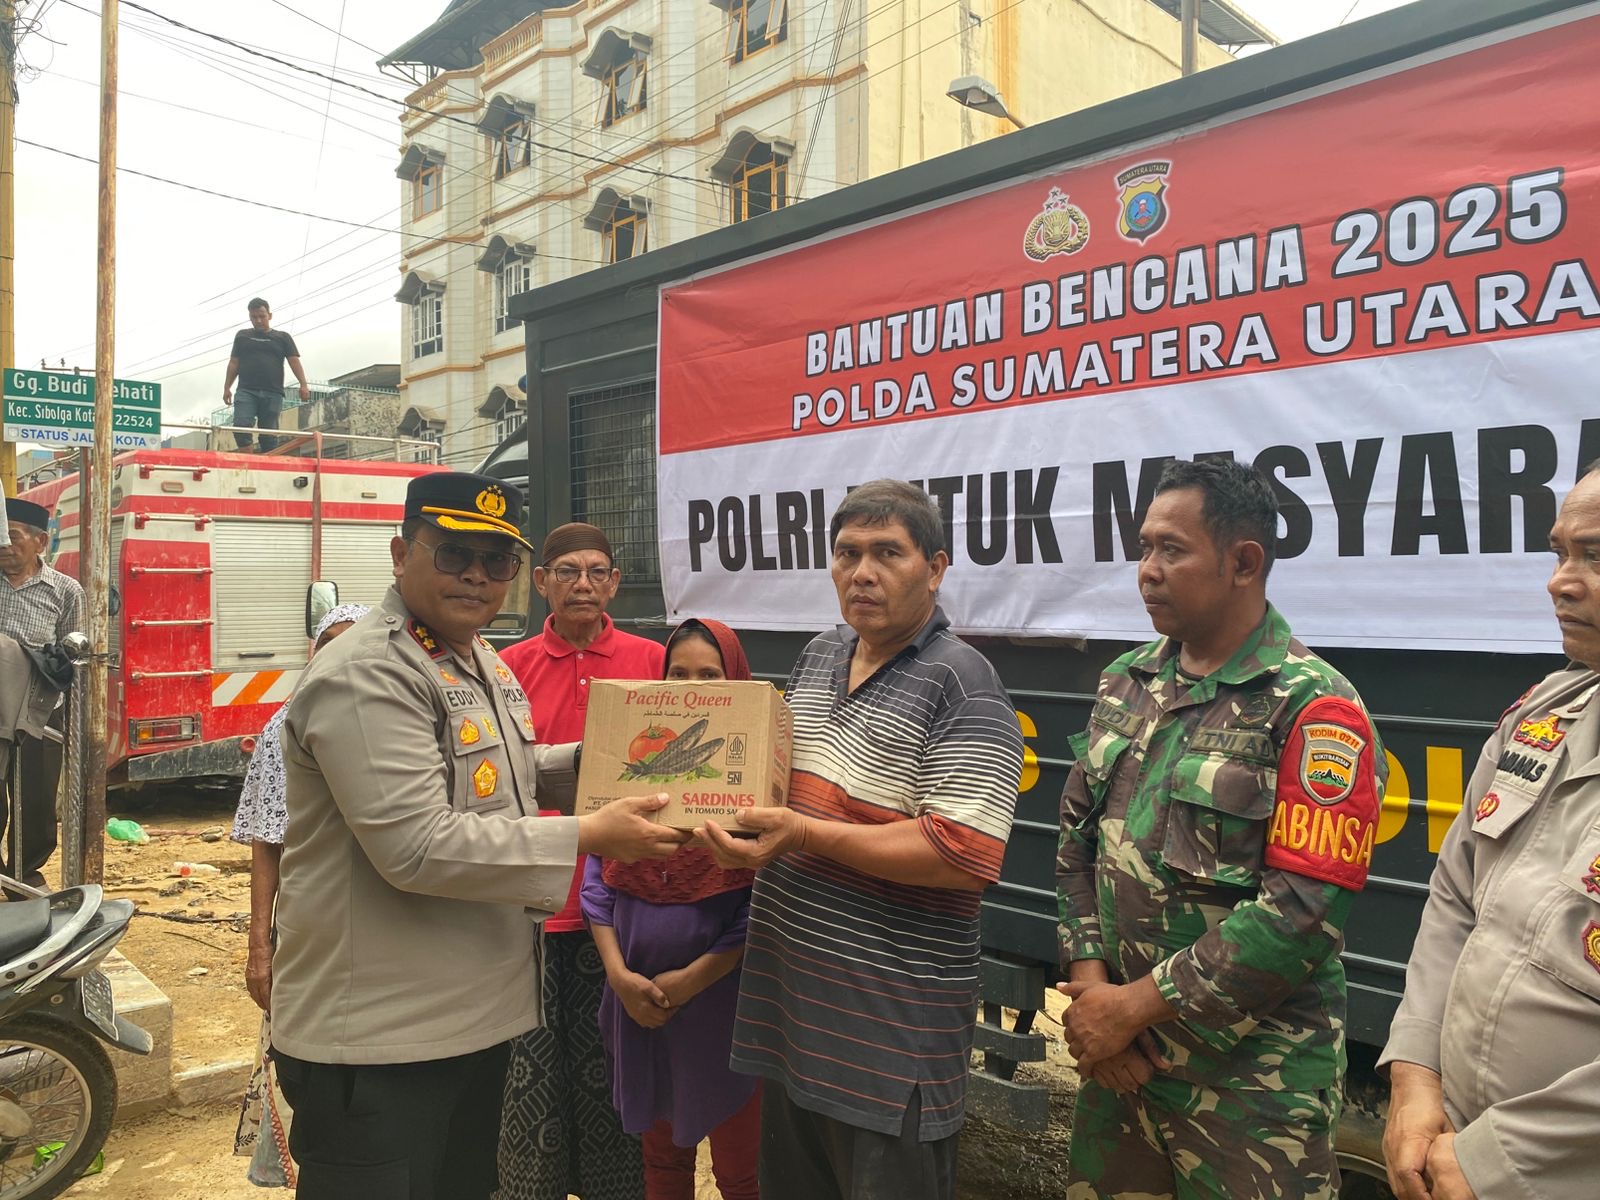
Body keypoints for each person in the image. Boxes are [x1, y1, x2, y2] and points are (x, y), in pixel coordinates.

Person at [270, 473, 686, 1200]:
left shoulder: (474, 657)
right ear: (401, 553)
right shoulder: (369, 671)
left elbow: (508, 777)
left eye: (497, 560)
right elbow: (417, 845)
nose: (476, 575)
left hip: (465, 1021)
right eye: (454, 553)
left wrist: (610, 768)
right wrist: (592, 831)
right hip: (380, 1038)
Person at [1054, 458, 1385, 1200]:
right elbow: (1076, 845)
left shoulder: (1315, 707)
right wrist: (1093, 994)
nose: (1147, 570)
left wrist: (1131, 1008)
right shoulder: (1126, 681)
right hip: (1123, 1071)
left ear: (1244, 563)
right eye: (1145, 548)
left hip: (1252, 1092)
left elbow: (1300, 912)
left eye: (1172, 550)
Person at [698, 478, 1024, 1200]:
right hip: (794, 1022)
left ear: (935, 569)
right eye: (847, 553)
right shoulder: (820, 655)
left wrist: (800, 835)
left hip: (887, 1045)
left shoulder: (965, 686)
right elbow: (779, 789)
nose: (862, 573)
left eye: (887, 553)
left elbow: (961, 854)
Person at [1379, 464, 1600, 1200]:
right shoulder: (1545, 713)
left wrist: (1503, 1158)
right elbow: (1455, 896)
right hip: (1452, 1144)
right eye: (1560, 552)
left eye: (1596, 556)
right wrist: (1415, 1078)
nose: (1560, 581)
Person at [495, 521, 662, 1200]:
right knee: (529, 1080)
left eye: (596, 571)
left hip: (623, 907)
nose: (583, 584)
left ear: (615, 582)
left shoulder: (654, 663)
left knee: (614, 1076)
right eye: (567, 571)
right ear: (541, 583)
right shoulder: (506, 669)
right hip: (532, 905)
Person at [582, 619, 761, 1200]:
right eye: (677, 674)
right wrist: (619, 977)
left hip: (724, 1008)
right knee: (661, 1161)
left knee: (741, 1167)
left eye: (710, 675)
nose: (691, 688)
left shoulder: (755, 790)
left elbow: (758, 904)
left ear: (736, 682)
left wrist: (692, 980)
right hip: (638, 1007)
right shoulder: (631, 778)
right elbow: (596, 883)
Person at [230, 601, 370, 1188]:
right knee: (312, 1078)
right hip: (310, 933)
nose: (341, 655)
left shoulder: (404, 723)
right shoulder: (284, 726)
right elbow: (267, 843)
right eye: (329, 642)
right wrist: (259, 947)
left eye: (354, 642)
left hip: (384, 938)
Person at [0, 496, 83, 887]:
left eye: (13, 536)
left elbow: (75, 656)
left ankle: (25, 875)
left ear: (40, 541)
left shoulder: (65, 591)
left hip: (41, 709)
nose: (4, 545)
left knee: (36, 797)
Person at [222, 298, 309, 452]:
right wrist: (227, 387)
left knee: (269, 436)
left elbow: (294, 361)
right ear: (250, 317)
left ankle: (267, 463)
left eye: (262, 316)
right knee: (241, 427)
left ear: (270, 315)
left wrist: (303, 384)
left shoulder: (282, 338)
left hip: (273, 392)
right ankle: (247, 461)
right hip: (246, 390)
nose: (258, 320)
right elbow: (234, 362)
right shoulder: (242, 336)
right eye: (254, 317)